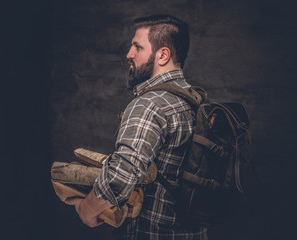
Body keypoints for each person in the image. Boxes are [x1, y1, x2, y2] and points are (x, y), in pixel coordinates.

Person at [66, 14, 208, 239]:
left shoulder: (149, 104)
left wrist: (86, 209)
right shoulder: (194, 99)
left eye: (137, 47)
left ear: (162, 55)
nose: (129, 54)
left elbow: (121, 175)